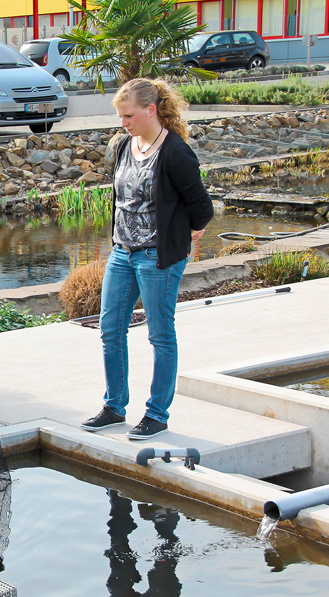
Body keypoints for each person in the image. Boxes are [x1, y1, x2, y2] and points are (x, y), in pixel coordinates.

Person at [80, 78, 214, 440]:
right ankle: (114, 407)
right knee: (110, 330)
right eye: (121, 116)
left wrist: (188, 231)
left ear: (151, 110)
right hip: (122, 252)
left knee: (160, 334)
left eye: (128, 115)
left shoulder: (175, 151)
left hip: (158, 257)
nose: (123, 122)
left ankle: (156, 414)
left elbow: (201, 205)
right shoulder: (126, 145)